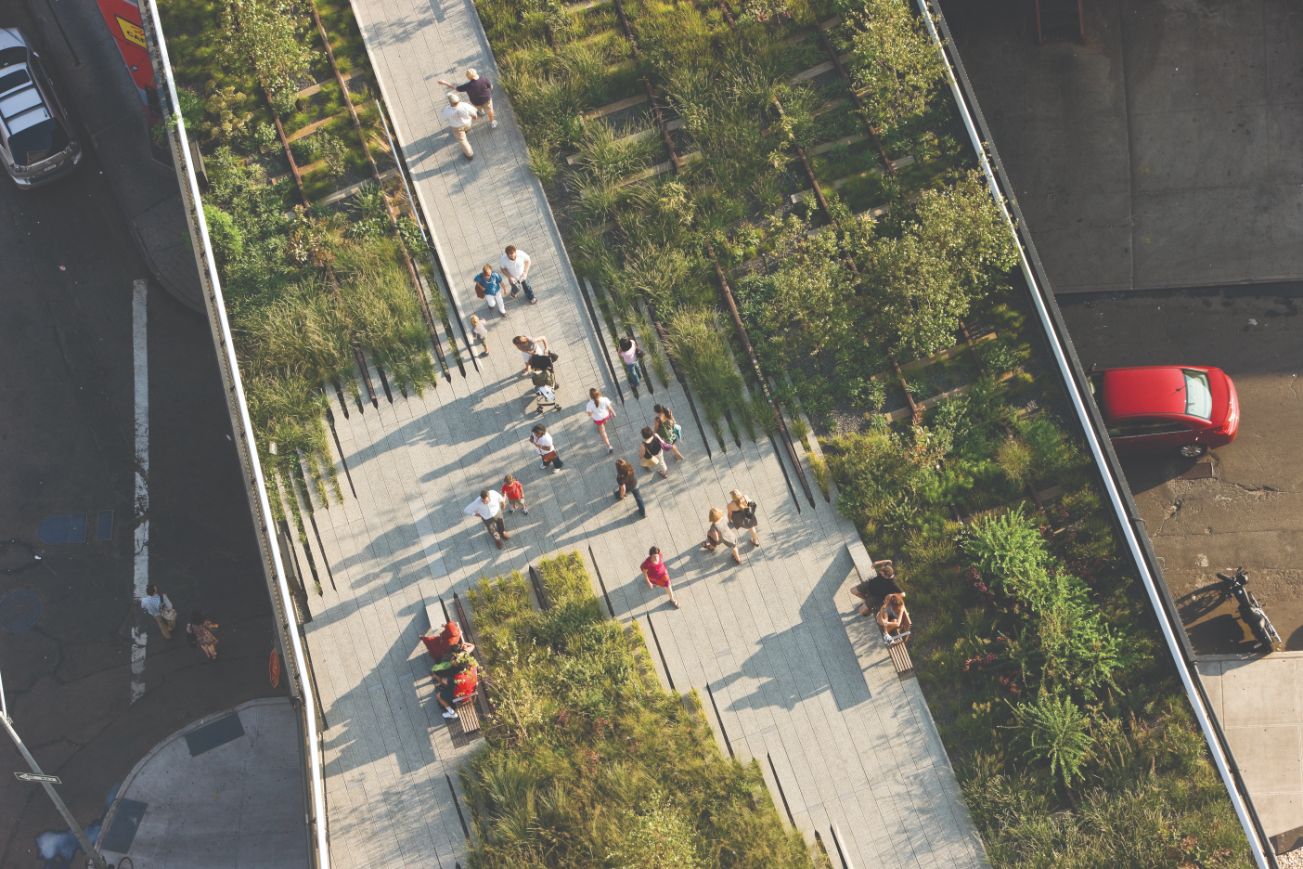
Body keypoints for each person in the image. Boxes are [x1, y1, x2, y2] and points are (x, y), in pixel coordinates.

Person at [433, 650, 478, 719]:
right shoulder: (473, 668)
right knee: (448, 682)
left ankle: (451, 713)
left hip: (461, 696)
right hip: (469, 691)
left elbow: (444, 681)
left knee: (438, 696)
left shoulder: (460, 678)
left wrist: (437, 677)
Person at [439, 92, 478, 161]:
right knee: (467, 128)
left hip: (456, 127)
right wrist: (474, 117)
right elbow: (474, 114)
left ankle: (469, 155)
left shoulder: (447, 110)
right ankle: (466, 130)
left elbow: (443, 118)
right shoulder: (464, 105)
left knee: (462, 141)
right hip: (467, 123)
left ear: (450, 102)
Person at [586, 387, 617, 452]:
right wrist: (613, 413)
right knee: (605, 419)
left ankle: (609, 446)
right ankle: (604, 422)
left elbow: (589, 414)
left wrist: (592, 413)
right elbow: (609, 407)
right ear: (598, 393)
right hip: (606, 415)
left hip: (598, 419)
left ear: (591, 396)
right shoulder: (604, 399)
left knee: (603, 432)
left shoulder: (589, 404)